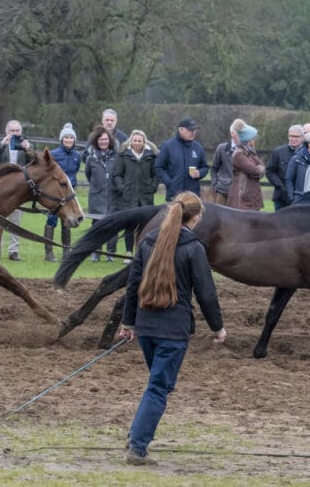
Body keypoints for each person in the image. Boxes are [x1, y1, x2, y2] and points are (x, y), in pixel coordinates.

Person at [117, 191, 227, 466]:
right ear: (195, 217)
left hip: (146, 328)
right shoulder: (194, 247)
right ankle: (138, 448)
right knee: (158, 387)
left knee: (156, 384)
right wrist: (218, 327)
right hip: (173, 331)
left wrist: (128, 323)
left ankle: (135, 435)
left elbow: (132, 286)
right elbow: (206, 293)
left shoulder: (148, 241)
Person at [0, 119, 33, 261]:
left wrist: (28, 149)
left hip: (18, 190)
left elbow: (33, 162)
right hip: (0, 189)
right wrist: (3, 144)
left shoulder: (26, 145)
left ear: (21, 132)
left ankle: (14, 252)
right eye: (12, 131)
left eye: (17, 131)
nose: (14, 133)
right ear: (6, 132)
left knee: (15, 222)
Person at [113, 130, 159, 258]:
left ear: (144, 142)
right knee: (130, 226)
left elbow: (155, 175)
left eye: (139, 141)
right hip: (129, 197)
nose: (137, 143)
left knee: (146, 225)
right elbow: (117, 175)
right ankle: (129, 253)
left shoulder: (151, 156)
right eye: (135, 140)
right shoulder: (123, 156)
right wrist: (122, 188)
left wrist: (152, 188)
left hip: (145, 197)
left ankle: (142, 252)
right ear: (130, 141)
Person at [44, 123, 82, 261]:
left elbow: (75, 170)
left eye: (71, 138)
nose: (69, 140)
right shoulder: (54, 154)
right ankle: (49, 252)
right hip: (56, 194)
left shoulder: (77, 155)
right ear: (61, 139)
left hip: (69, 194)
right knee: (52, 219)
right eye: (66, 137)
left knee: (68, 220)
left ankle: (66, 252)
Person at [85, 125, 119, 262]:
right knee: (97, 225)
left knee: (113, 225)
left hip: (113, 196)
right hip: (97, 197)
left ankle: (111, 253)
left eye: (105, 139)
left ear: (109, 140)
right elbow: (88, 175)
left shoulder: (117, 157)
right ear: (96, 141)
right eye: (100, 139)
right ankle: (96, 252)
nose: (103, 142)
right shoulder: (91, 158)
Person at [155, 118, 208, 202]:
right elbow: (158, 167)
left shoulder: (198, 148)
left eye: (194, 130)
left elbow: (205, 167)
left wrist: (199, 173)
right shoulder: (167, 146)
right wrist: (169, 182)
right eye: (190, 130)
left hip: (193, 196)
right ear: (180, 129)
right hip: (174, 195)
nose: (193, 132)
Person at [226, 122, 265, 211]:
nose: (255, 140)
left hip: (250, 194)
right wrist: (258, 170)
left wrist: (258, 170)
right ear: (248, 140)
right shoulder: (238, 154)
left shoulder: (251, 152)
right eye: (254, 138)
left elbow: (262, 166)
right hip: (241, 197)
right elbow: (254, 170)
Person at [266, 125, 304, 211]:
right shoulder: (279, 152)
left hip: (301, 198)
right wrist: (280, 186)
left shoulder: (307, 152)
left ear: (302, 137)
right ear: (288, 136)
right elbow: (269, 171)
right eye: (291, 136)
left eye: (296, 136)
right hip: (281, 198)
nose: (293, 139)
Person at [210, 119, 242, 205]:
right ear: (232, 133)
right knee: (219, 214)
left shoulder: (247, 150)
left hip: (240, 193)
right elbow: (214, 168)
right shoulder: (222, 148)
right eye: (238, 133)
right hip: (223, 192)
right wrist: (216, 185)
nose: (240, 136)